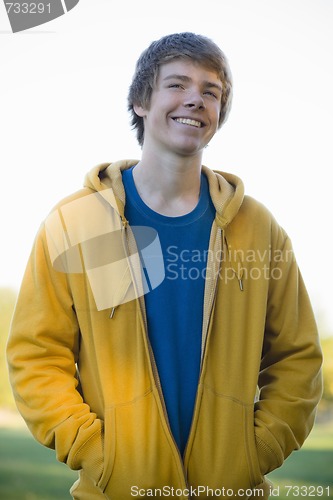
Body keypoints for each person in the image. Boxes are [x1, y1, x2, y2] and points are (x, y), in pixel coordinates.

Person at [7, 32, 322, 499]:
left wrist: (258, 450)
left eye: (211, 91)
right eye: (177, 84)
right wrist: (98, 453)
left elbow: (297, 357)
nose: (196, 98)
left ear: (218, 114)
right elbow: (36, 356)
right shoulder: (76, 223)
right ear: (141, 101)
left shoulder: (259, 229)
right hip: (117, 490)